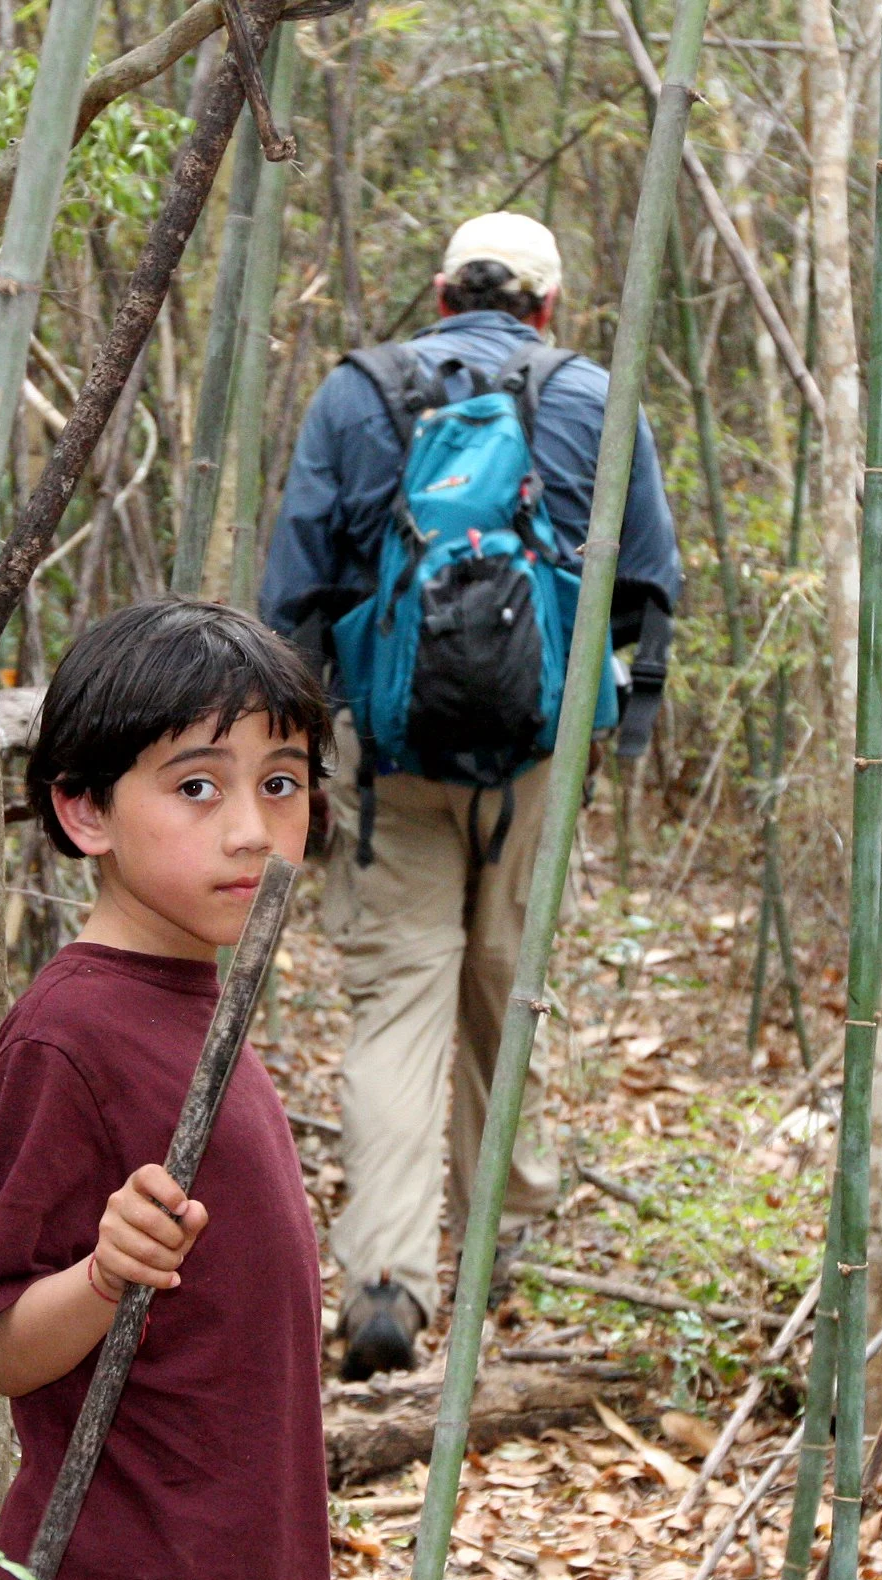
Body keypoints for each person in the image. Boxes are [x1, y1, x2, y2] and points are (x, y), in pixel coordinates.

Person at [260, 211, 682, 1380]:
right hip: (535, 752)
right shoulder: (594, 395)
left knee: (398, 1001)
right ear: (548, 308)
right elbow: (649, 579)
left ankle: (387, 1276)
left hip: (389, 755)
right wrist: (624, 724)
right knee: (503, 978)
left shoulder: (355, 395)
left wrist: (290, 752)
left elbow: (293, 589)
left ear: (441, 296)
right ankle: (504, 1221)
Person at [0, 600, 335, 1580]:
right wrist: (106, 1272)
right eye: (195, 785)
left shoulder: (198, 1003)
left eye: (281, 783)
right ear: (83, 812)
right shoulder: (72, 1035)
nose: (251, 828)